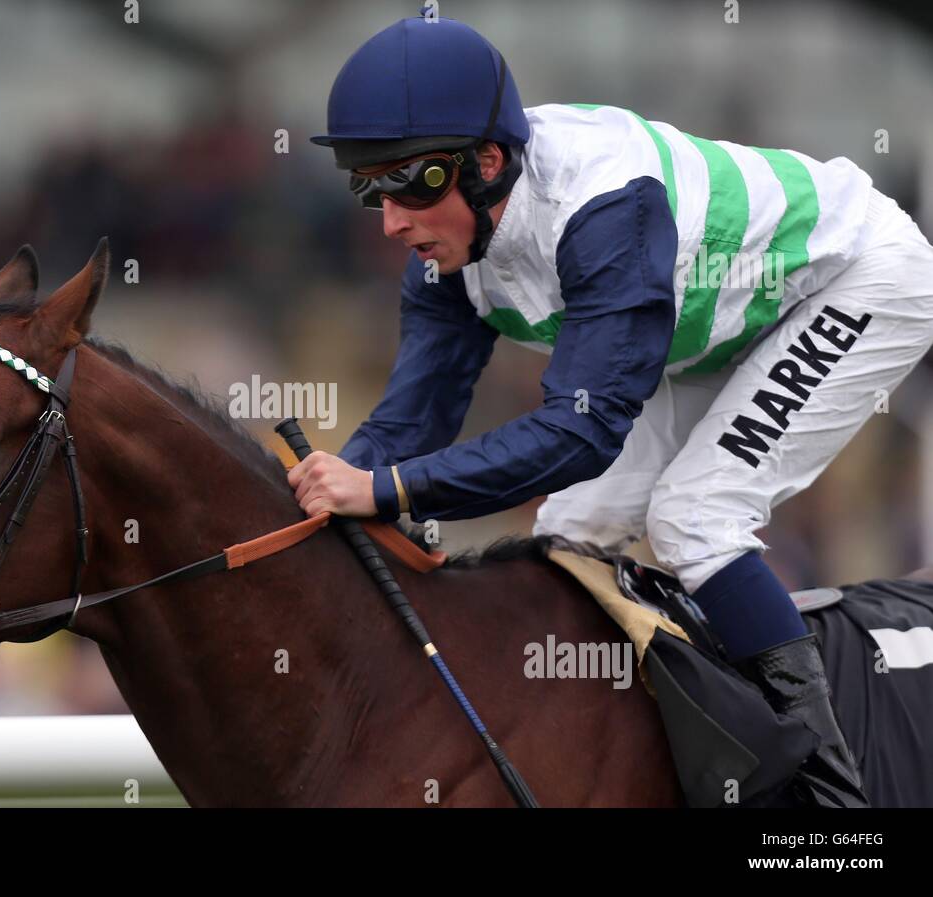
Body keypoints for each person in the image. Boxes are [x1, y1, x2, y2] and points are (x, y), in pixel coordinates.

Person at [292, 10, 933, 807]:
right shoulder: (447, 251)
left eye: (407, 184)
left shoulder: (605, 211)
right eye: (367, 189)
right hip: (716, 328)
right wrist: (315, 495)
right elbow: (410, 422)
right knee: (569, 538)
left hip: (858, 277)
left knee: (698, 516)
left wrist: (389, 490)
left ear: (488, 161)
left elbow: (583, 431)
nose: (390, 222)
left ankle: (830, 804)